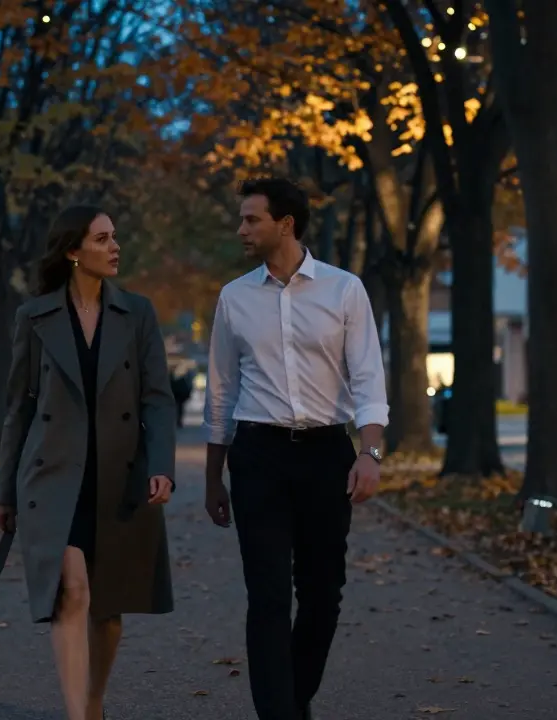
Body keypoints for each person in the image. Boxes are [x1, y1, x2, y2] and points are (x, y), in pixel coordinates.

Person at [203, 178, 388, 720]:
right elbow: (221, 392)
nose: (241, 229)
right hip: (258, 455)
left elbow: (369, 381)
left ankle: (294, 695)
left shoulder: (343, 290)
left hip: (325, 454)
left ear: (285, 223)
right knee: (266, 597)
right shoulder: (234, 297)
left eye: (250, 219)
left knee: (322, 592)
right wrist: (215, 478)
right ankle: (279, 713)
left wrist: (368, 454)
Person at [0, 205, 178, 720]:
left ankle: (94, 701)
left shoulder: (137, 313)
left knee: (109, 610)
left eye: (115, 236)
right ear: (74, 251)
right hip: (53, 477)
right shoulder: (33, 317)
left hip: (118, 477)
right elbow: (20, 408)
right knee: (70, 590)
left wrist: (160, 464)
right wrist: (4, 492)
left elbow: (157, 399)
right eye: (103, 238)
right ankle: (77, 716)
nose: (115, 246)